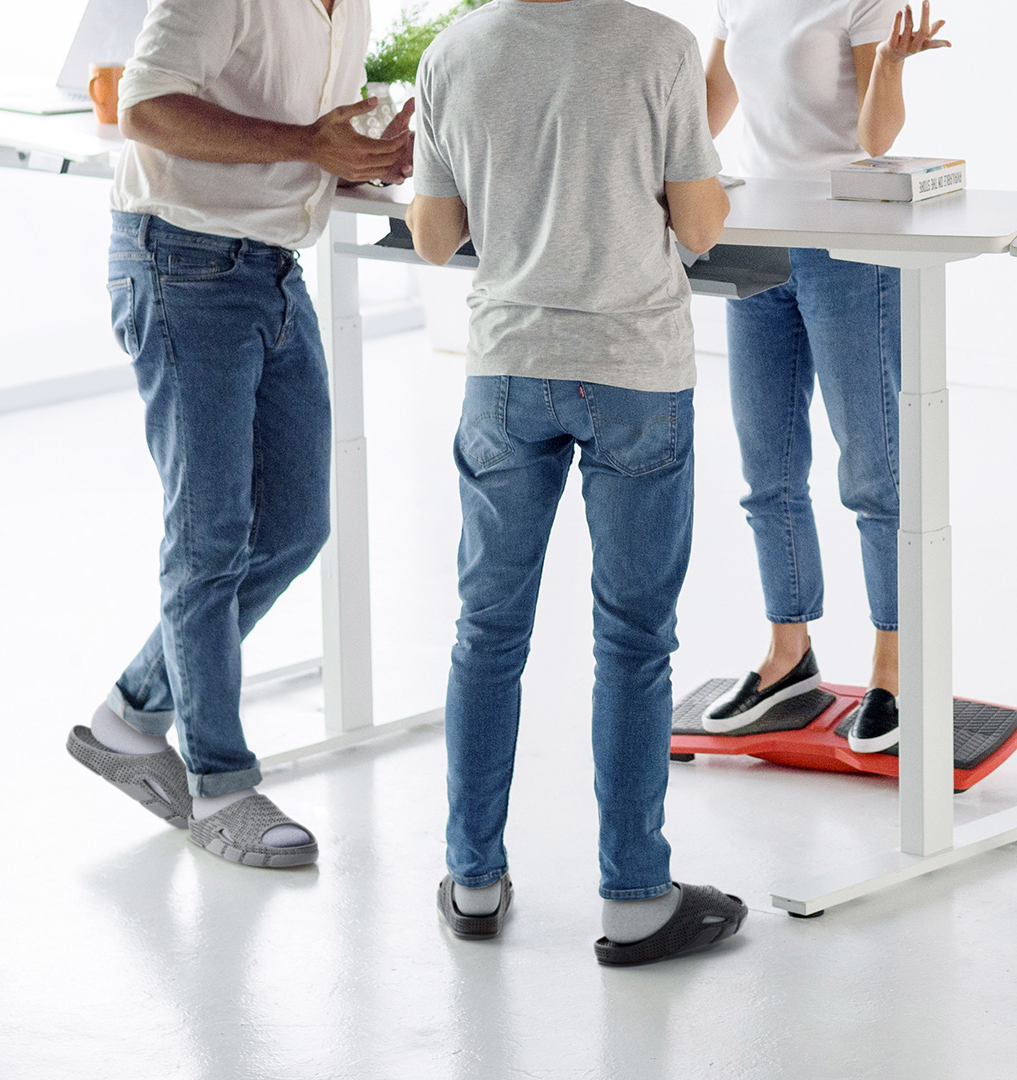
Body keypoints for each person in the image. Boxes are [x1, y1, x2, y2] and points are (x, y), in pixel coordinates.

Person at [408, 0, 745, 966]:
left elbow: (435, 237)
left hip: (507, 368)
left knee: (487, 632)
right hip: (634, 369)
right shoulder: (660, 46)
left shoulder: (454, 51)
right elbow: (699, 224)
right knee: (633, 641)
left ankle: (474, 882)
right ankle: (635, 899)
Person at [65, 0, 414, 869]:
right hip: (181, 261)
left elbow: (308, 136)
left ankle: (130, 715)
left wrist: (361, 157)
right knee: (209, 537)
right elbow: (146, 108)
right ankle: (220, 788)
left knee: (295, 525)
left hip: (271, 265)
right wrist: (308, 145)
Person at [697, 1, 951, 754]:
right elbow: (705, 112)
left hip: (846, 246)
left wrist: (893, 65)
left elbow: (875, 140)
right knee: (767, 472)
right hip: (755, 239)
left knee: (874, 472)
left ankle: (895, 668)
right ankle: (789, 654)